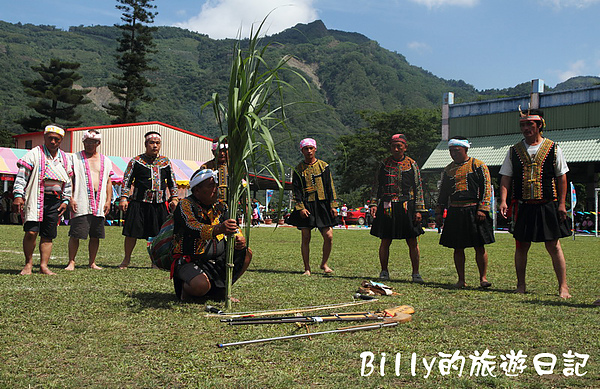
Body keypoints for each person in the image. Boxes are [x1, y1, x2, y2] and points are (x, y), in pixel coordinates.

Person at [498, 108, 571, 298]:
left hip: (547, 203)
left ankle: (563, 286)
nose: (525, 128)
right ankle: (520, 285)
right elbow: (506, 177)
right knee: (521, 245)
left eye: (529, 124)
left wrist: (562, 204)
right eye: (522, 125)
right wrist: (503, 201)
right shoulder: (514, 151)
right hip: (523, 205)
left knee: (553, 246)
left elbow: (561, 177)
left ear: (540, 125)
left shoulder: (554, 148)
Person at [171, 169, 252, 301]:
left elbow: (234, 226)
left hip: (217, 259)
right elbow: (192, 227)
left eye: (215, 185)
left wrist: (239, 237)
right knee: (201, 285)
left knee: (246, 253)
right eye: (210, 186)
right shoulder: (185, 205)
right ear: (197, 190)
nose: (215, 189)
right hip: (191, 260)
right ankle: (186, 289)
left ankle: (222, 291)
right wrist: (218, 229)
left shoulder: (221, 206)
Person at [13, 124, 73, 275]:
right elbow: (22, 176)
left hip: (55, 201)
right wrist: (18, 195)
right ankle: (28, 264)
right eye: (50, 138)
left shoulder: (65, 158)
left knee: (48, 234)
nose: (53, 142)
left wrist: (65, 201)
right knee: (31, 232)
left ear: (61, 141)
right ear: (45, 137)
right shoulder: (34, 154)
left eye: (57, 139)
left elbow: (68, 182)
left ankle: (44, 266)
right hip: (35, 197)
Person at [436, 136, 494, 288]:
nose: (453, 153)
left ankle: (483, 278)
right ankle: (461, 280)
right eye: (451, 151)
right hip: (455, 210)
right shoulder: (448, 170)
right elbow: (443, 193)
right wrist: (439, 211)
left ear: (465, 149)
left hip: (475, 210)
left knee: (479, 246)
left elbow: (487, 187)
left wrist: (483, 208)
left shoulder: (478, 165)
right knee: (458, 246)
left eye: (457, 150)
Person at [370, 133, 425, 283]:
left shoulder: (412, 164)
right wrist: (373, 203)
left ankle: (415, 273)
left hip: (407, 205)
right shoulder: (384, 164)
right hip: (387, 205)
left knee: (412, 241)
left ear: (405, 147)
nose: (396, 149)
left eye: (399, 146)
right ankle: (384, 271)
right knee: (385, 240)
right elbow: (376, 185)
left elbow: (418, 187)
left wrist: (419, 209)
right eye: (393, 146)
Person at [119, 131, 178, 269]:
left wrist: (174, 197)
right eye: (152, 143)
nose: (155, 146)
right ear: (146, 144)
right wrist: (123, 198)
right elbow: (127, 180)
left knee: (158, 234)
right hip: (138, 203)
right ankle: (126, 260)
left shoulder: (165, 162)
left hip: (158, 204)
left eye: (157, 143)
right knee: (131, 233)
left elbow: (172, 181)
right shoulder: (136, 161)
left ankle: (155, 261)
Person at [286, 138, 338, 275]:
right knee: (306, 236)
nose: (308, 151)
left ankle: (324, 264)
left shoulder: (324, 166)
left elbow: (330, 186)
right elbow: (296, 190)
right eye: (305, 149)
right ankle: (307, 268)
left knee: (329, 235)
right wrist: (301, 207)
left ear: (315, 149)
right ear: (301, 150)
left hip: (322, 204)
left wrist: (333, 205)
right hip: (306, 205)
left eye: (311, 148)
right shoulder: (298, 169)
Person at [65, 130, 113, 270]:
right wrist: (71, 197)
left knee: (96, 234)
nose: (89, 145)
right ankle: (71, 261)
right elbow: (70, 178)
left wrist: (108, 200)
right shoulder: (75, 158)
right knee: (76, 233)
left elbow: (108, 181)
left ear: (98, 143)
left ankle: (92, 262)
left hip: (99, 201)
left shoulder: (106, 160)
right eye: (86, 142)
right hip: (81, 198)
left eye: (92, 142)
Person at [200, 137, 228, 203]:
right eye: (219, 151)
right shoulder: (205, 168)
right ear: (213, 152)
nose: (222, 154)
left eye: (224, 150)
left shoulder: (233, 169)